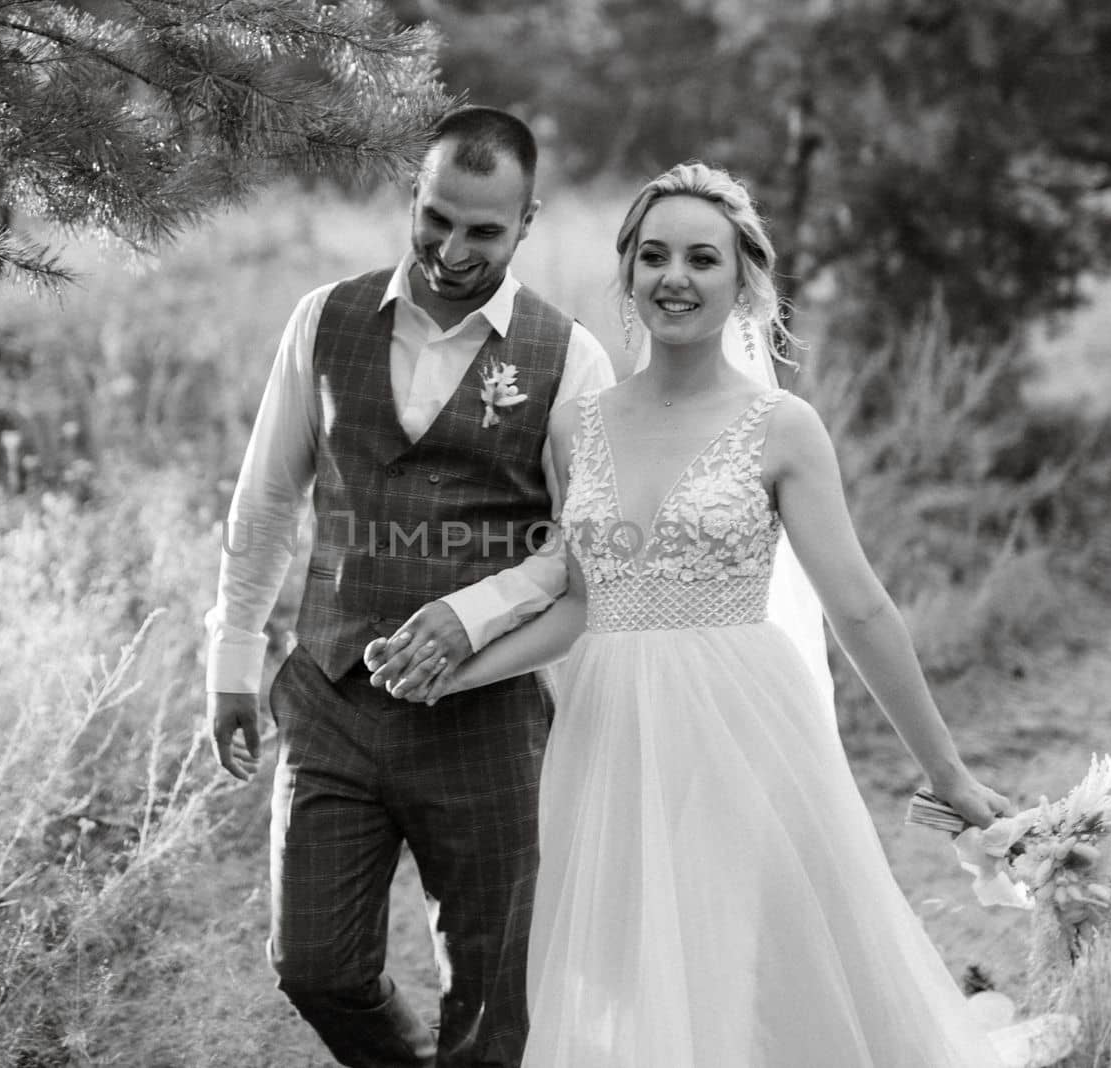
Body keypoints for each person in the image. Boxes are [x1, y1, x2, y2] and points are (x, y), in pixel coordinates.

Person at [388, 161, 1017, 1066]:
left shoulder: (782, 426)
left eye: (701, 258)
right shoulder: (579, 426)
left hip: (740, 725)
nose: (674, 277)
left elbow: (861, 610)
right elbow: (579, 606)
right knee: (629, 968)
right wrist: (458, 670)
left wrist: (949, 773)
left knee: (729, 959)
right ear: (629, 272)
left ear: (744, 280)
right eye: (653, 256)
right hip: (605, 731)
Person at [205, 105, 616, 1068]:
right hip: (331, 698)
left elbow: (586, 549)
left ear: (528, 222)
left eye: (483, 229)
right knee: (314, 969)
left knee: (488, 995)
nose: (452, 248)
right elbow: (265, 501)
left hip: (487, 723)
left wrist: (472, 615)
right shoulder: (325, 318)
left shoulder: (571, 358)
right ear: (413, 196)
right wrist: (232, 656)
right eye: (437, 218)